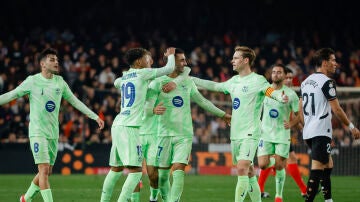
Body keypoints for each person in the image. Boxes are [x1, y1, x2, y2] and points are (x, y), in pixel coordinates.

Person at [0, 48, 104, 202]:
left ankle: (26, 198)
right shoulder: (32, 81)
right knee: (43, 169)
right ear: (42, 64)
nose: (56, 62)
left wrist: (95, 116)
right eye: (52, 59)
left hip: (53, 132)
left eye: (57, 60)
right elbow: (12, 94)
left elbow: (75, 102)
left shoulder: (60, 82)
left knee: (47, 171)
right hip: (37, 132)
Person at [192, 46, 287, 202]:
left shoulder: (258, 80)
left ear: (245, 60)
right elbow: (215, 86)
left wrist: (279, 97)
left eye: (236, 58)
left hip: (251, 132)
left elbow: (270, 91)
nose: (232, 61)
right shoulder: (234, 81)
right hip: (235, 133)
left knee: (241, 168)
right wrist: (192, 80)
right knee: (249, 172)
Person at [146, 48, 231, 202]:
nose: (185, 63)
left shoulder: (187, 81)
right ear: (172, 62)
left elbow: (202, 101)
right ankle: (158, 197)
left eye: (185, 60)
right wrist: (152, 109)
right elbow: (146, 108)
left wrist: (223, 114)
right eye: (182, 60)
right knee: (162, 176)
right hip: (162, 133)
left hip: (184, 134)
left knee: (179, 170)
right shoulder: (157, 82)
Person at [100, 47, 176, 202]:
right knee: (135, 172)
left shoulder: (125, 76)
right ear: (139, 61)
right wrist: (171, 55)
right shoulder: (142, 73)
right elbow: (169, 68)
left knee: (116, 169)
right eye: (148, 58)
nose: (151, 61)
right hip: (130, 127)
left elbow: (116, 82)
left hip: (118, 124)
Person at [299, 48, 360, 202]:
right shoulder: (327, 82)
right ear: (325, 62)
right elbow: (337, 109)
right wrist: (351, 127)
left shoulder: (305, 82)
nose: (336, 64)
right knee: (317, 168)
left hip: (309, 130)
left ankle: (328, 200)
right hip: (320, 130)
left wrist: (305, 125)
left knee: (328, 163)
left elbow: (300, 108)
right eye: (333, 60)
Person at [258, 67, 307, 199]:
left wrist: (294, 125)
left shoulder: (291, 95)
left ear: (284, 76)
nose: (275, 74)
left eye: (279, 72)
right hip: (265, 134)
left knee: (282, 165)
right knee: (263, 164)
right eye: (273, 72)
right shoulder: (266, 90)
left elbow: (298, 114)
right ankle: (303, 188)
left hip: (282, 135)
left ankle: (279, 196)